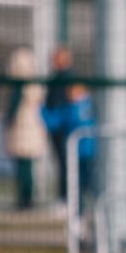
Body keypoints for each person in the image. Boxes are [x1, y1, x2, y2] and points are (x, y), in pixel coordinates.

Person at [3, 47, 48, 210]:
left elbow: (13, 110)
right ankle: (27, 198)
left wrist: (7, 120)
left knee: (24, 166)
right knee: (27, 166)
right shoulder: (36, 84)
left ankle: (25, 199)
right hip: (33, 128)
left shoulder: (21, 86)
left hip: (22, 129)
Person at [42, 77, 95, 209]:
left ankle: (81, 208)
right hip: (86, 152)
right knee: (82, 183)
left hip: (80, 153)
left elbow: (53, 121)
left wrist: (40, 109)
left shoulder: (72, 109)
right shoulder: (88, 106)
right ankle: (82, 208)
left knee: (79, 182)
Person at [45, 46, 77, 206]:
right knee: (61, 163)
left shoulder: (68, 79)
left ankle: (67, 198)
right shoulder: (55, 79)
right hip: (56, 126)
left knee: (67, 163)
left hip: (64, 127)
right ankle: (64, 197)